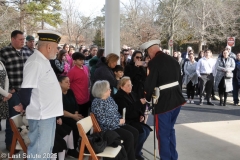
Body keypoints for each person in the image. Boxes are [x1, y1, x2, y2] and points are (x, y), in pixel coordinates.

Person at [14, 30, 63, 159]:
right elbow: (26, 89)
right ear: (48, 47)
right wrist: (24, 105)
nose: (57, 50)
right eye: (56, 48)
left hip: (49, 114)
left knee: (46, 150)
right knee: (39, 153)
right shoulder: (35, 62)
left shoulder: (44, 60)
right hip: (42, 115)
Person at [140, 40, 185, 160]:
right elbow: (180, 80)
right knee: (170, 130)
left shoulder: (154, 63)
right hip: (177, 100)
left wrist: (148, 99)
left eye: (148, 54)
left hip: (164, 103)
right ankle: (173, 157)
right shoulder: (173, 59)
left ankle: (165, 158)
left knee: (162, 134)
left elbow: (150, 84)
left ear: (150, 51)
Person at [0, 30, 32, 151]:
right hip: (13, 91)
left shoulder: (27, 51)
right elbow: (2, 73)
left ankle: (23, 141)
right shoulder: (4, 52)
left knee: (26, 118)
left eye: (24, 39)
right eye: (20, 39)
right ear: (13, 39)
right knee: (13, 119)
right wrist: (7, 90)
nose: (23, 41)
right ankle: (10, 143)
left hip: (27, 90)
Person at [91, 80, 138, 160]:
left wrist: (120, 118)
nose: (110, 90)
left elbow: (115, 112)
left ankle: (129, 155)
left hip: (116, 124)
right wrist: (118, 121)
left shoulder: (109, 99)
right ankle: (129, 158)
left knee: (135, 132)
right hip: (107, 129)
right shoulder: (97, 103)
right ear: (102, 91)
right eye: (108, 89)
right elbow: (103, 121)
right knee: (129, 136)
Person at [114, 77, 152, 160]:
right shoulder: (119, 97)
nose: (130, 87)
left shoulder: (132, 94)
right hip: (127, 120)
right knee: (141, 133)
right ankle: (133, 153)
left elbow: (138, 108)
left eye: (131, 85)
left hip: (135, 119)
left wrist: (141, 115)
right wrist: (139, 103)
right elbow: (126, 110)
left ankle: (137, 152)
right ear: (121, 86)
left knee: (147, 131)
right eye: (128, 85)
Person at [58, 75, 83, 157]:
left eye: (69, 81)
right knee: (74, 126)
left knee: (84, 122)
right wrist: (73, 116)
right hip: (64, 117)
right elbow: (60, 110)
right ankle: (71, 149)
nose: (69, 83)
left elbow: (76, 104)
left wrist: (76, 114)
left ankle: (81, 145)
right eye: (66, 82)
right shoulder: (57, 94)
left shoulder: (70, 91)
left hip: (73, 115)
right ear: (59, 83)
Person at [67, 52, 90, 118]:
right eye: (80, 60)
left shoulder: (86, 68)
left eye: (83, 59)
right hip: (77, 99)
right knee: (79, 119)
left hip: (86, 97)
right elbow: (67, 83)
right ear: (75, 61)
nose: (82, 61)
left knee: (86, 118)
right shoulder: (72, 71)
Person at [0, 61, 11, 131]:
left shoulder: (1, 63)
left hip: (3, 97)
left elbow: (6, 78)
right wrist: (6, 94)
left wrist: (6, 93)